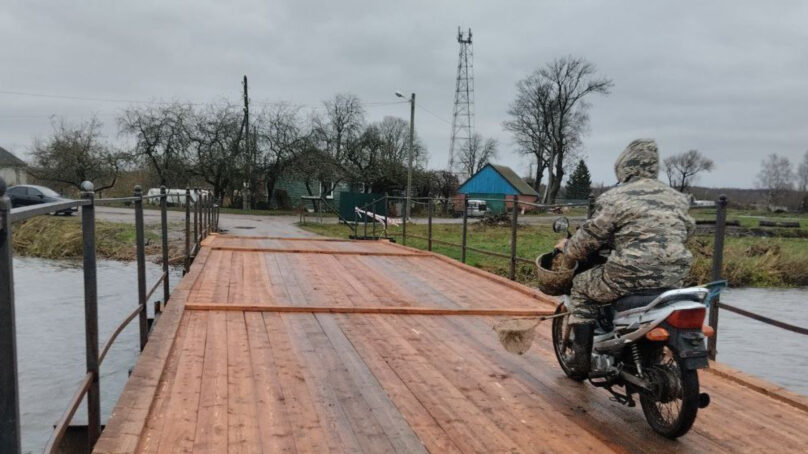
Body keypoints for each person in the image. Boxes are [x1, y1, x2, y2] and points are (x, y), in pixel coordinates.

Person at [555, 139, 695, 375]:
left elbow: (589, 238)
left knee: (581, 287)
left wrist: (568, 249)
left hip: (629, 274)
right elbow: (688, 231)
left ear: (624, 165)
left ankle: (580, 363)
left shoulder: (616, 198)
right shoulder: (677, 198)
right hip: (673, 275)